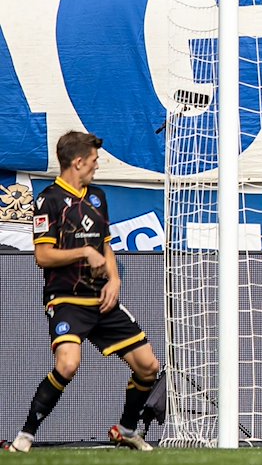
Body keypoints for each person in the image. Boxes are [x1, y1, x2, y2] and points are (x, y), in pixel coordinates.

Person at [4, 131, 160, 453]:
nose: (96, 166)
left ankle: (127, 430)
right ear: (77, 162)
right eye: (93, 161)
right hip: (66, 301)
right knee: (68, 364)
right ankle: (25, 437)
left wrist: (115, 280)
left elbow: (105, 245)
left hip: (101, 298)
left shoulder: (98, 197)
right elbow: (43, 256)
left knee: (149, 366)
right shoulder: (48, 200)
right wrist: (83, 253)